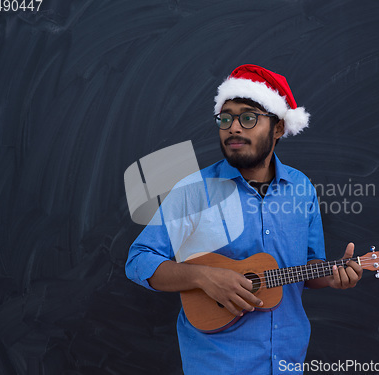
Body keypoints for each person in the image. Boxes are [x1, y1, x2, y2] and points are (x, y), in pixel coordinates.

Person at [125, 64, 363, 374]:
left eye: (248, 118)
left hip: (288, 360)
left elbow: (308, 268)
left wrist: (332, 276)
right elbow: (139, 260)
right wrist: (202, 277)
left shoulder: (301, 188)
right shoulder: (194, 191)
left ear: (277, 128)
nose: (234, 128)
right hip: (219, 364)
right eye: (225, 118)